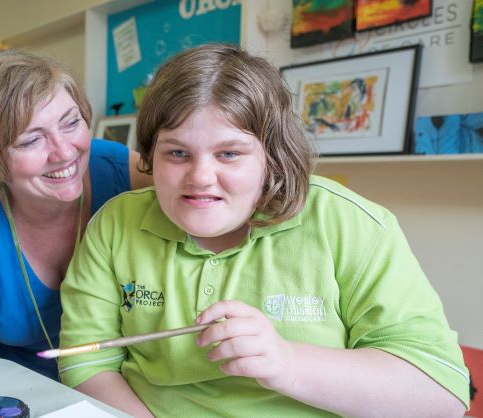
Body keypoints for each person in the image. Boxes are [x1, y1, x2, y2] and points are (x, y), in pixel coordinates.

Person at [58, 44, 470, 417]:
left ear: (273, 157)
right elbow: (84, 360)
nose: (200, 177)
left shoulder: (348, 225)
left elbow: (443, 396)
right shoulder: (115, 224)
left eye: (229, 153)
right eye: (178, 153)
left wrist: (287, 363)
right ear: (150, 155)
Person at [0, 47, 150, 381]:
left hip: (127, 387)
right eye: (31, 141)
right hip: (20, 392)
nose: (64, 152)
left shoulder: (125, 173)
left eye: (71, 123)